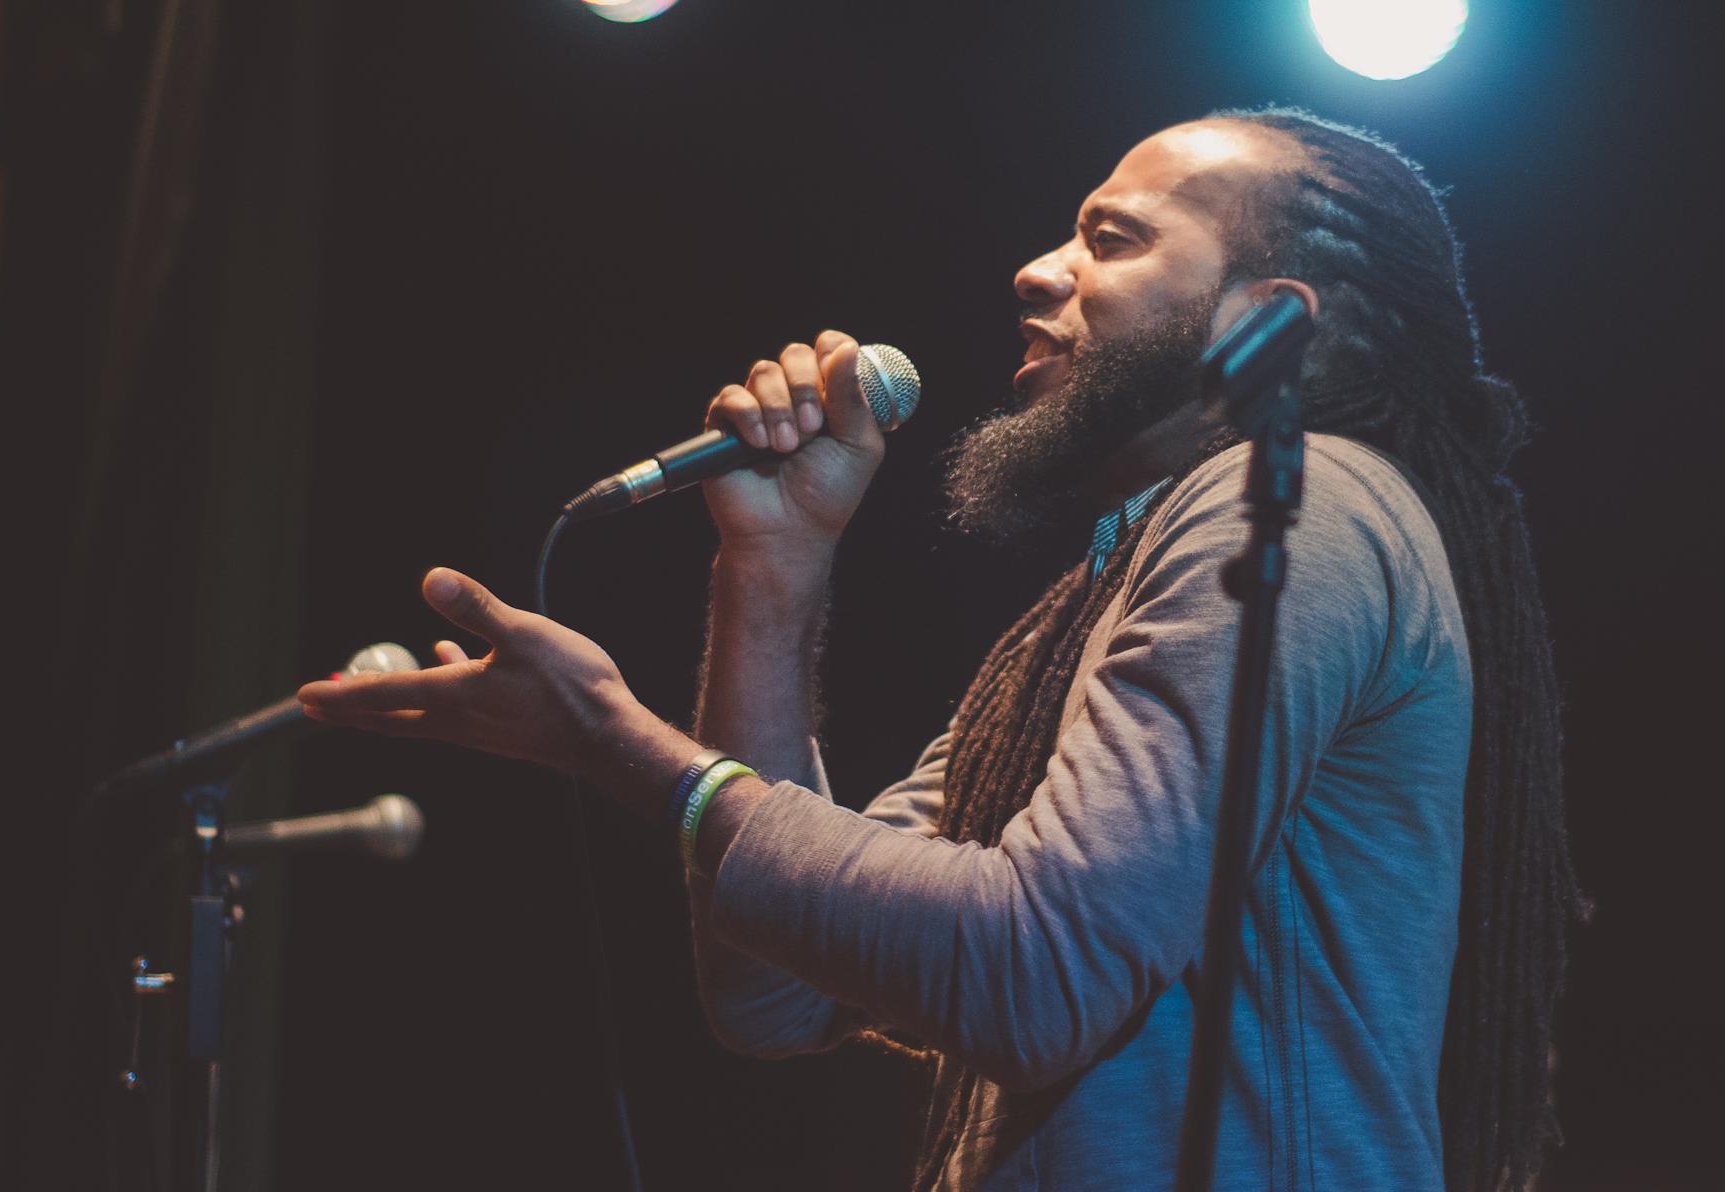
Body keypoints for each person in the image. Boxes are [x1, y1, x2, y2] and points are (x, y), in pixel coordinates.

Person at [299, 109, 1578, 1191]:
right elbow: (773, 990)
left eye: (1111, 239)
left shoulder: (1294, 507)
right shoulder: (1075, 620)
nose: (1034, 271)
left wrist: (613, 741)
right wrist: (774, 571)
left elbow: (1036, 974)